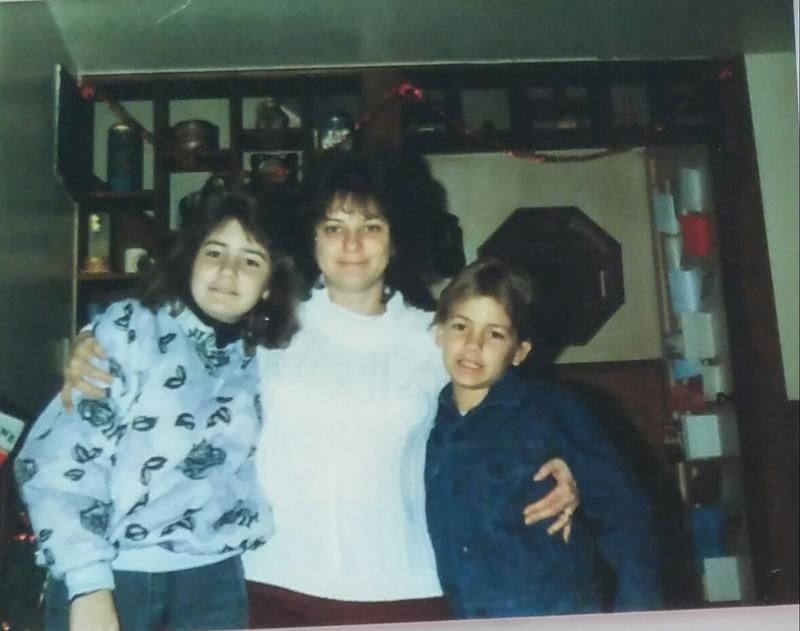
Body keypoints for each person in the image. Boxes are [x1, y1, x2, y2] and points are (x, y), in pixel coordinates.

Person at [61, 150, 580, 628]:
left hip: (405, 589)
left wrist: (566, 466)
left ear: (396, 239)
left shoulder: (435, 339)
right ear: (312, 238)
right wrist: (93, 341)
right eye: (334, 227)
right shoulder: (266, 325)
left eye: (370, 227)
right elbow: (169, 335)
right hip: (271, 589)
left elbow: (517, 414)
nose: (351, 245)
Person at [15, 191, 299, 631]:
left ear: (267, 287)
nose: (228, 271)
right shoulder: (130, 330)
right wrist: (88, 586)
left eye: (250, 260)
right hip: (114, 576)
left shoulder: (262, 358)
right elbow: (57, 463)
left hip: (214, 583)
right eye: (215, 252)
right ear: (190, 262)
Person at [425, 258, 662, 619]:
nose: (473, 344)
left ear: (519, 351)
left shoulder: (551, 410)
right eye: (461, 326)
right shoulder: (429, 422)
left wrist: (639, 614)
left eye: (495, 334)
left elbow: (624, 512)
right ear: (440, 332)